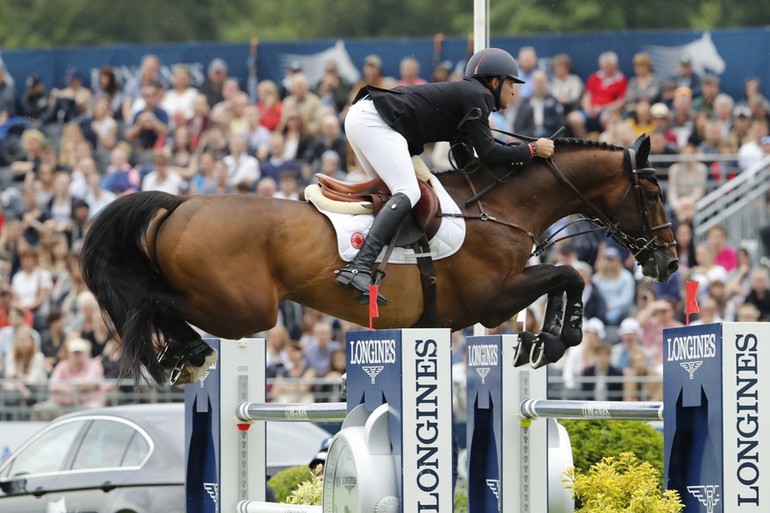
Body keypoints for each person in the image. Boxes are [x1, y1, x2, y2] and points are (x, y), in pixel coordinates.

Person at [335, 48, 555, 302]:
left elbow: (468, 163)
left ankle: (367, 266)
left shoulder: (467, 98)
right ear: (495, 82)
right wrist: (533, 150)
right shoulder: (478, 95)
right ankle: (358, 266)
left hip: (366, 117)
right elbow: (489, 154)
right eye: (510, 84)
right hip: (374, 120)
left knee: (390, 196)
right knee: (408, 191)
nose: (514, 91)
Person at [31, 336, 106, 420]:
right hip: (61, 405)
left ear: (86, 353)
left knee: (96, 409)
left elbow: (90, 384)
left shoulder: (94, 365)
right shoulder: (62, 365)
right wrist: (76, 387)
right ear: (69, 353)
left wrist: (66, 387)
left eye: (80, 352)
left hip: (86, 404)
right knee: (38, 410)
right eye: (75, 352)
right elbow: (53, 386)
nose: (77, 355)